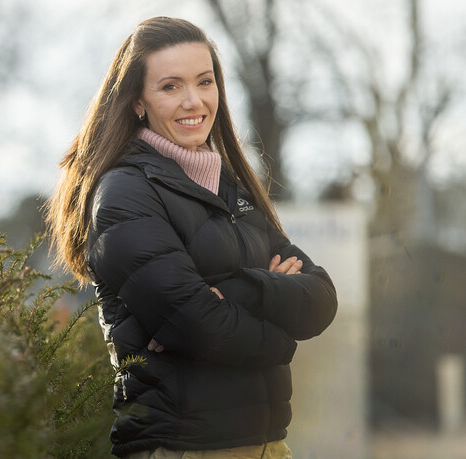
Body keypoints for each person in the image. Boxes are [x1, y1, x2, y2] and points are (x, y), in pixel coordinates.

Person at [44, 16, 337, 458]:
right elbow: (201, 328)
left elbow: (321, 297)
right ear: (137, 101)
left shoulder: (229, 186)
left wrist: (239, 289)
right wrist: (282, 334)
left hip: (266, 445)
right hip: (184, 448)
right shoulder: (125, 193)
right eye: (170, 86)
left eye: (205, 81)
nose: (193, 101)